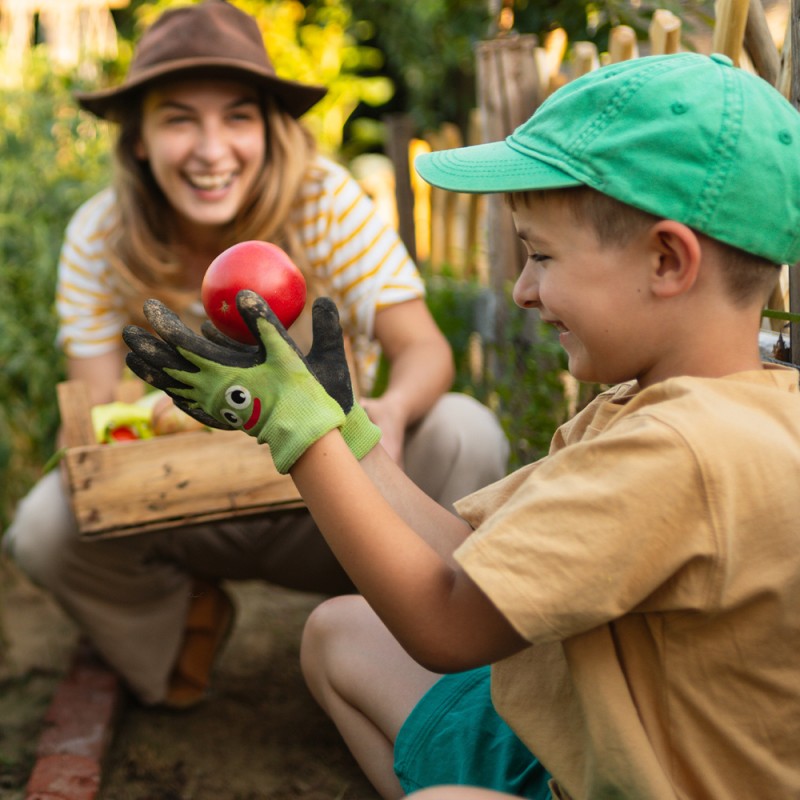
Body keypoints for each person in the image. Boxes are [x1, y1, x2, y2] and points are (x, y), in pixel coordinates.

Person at [122, 51, 800, 798]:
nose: (522, 290)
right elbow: (474, 557)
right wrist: (347, 431)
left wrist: (294, 431)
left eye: (542, 256)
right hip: (589, 742)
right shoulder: (660, 407)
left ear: (668, 260)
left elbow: (444, 629)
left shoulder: (678, 451)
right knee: (338, 633)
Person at [3, 0, 509, 710]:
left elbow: (423, 348)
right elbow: (88, 409)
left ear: (270, 130)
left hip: (343, 500)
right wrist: (126, 420)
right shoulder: (99, 232)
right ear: (140, 139)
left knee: (465, 431)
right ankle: (182, 637)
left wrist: (390, 409)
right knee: (46, 526)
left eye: (238, 117)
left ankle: (420, 652)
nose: (212, 149)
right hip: (190, 501)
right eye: (179, 118)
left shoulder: (326, 202)